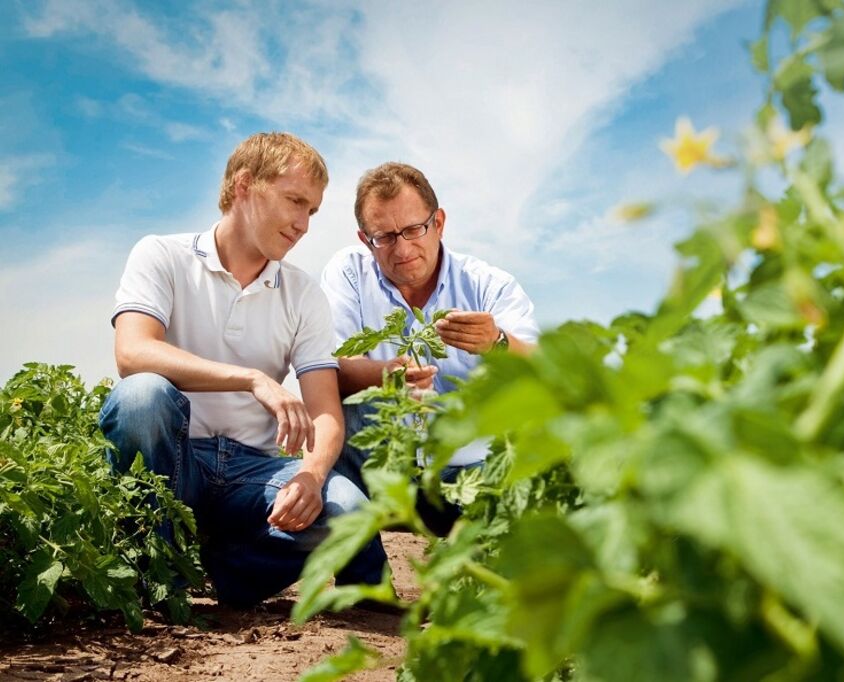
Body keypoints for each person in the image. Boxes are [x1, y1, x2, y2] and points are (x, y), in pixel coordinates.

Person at [98, 132, 388, 608]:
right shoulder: (161, 255)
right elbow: (133, 353)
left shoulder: (303, 294)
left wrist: (312, 476)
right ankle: (154, 568)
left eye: (312, 211)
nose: (303, 225)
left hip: (251, 473)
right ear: (244, 184)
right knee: (141, 397)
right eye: (295, 201)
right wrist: (252, 378)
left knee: (348, 510)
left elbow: (326, 412)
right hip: (175, 461)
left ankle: (219, 575)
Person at [321, 162, 539, 533]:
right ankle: (369, 580)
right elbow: (331, 365)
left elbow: (539, 368)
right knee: (351, 407)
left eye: (413, 229)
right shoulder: (349, 272)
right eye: (384, 237)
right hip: (380, 471)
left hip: (467, 473)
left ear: (438, 222)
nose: (402, 248)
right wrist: (389, 374)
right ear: (364, 239)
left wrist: (497, 342)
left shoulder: (488, 285)